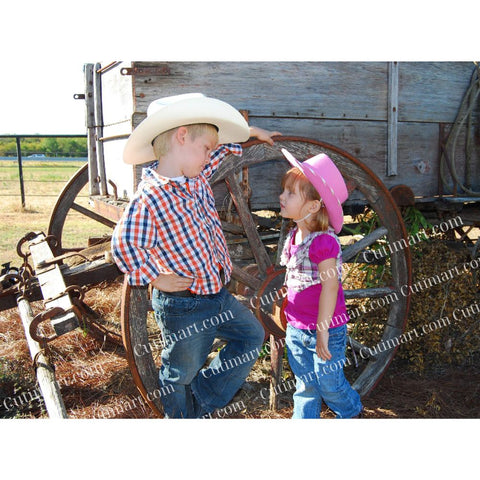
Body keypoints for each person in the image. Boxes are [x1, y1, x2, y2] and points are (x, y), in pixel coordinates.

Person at [112, 93, 281, 418]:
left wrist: (252, 132)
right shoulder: (151, 198)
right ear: (181, 136)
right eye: (205, 148)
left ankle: (201, 402)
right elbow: (123, 245)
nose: (209, 156)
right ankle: (181, 417)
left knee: (252, 335)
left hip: (216, 295)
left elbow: (223, 151)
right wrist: (156, 276)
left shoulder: (197, 175)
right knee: (179, 374)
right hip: (184, 306)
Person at [278, 148, 363, 418]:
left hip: (326, 330)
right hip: (296, 328)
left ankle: (351, 412)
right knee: (305, 386)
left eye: (290, 193)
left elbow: (330, 287)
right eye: (284, 191)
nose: (281, 196)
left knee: (329, 384)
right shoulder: (294, 237)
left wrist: (323, 331)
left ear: (313, 206)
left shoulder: (323, 242)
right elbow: (297, 276)